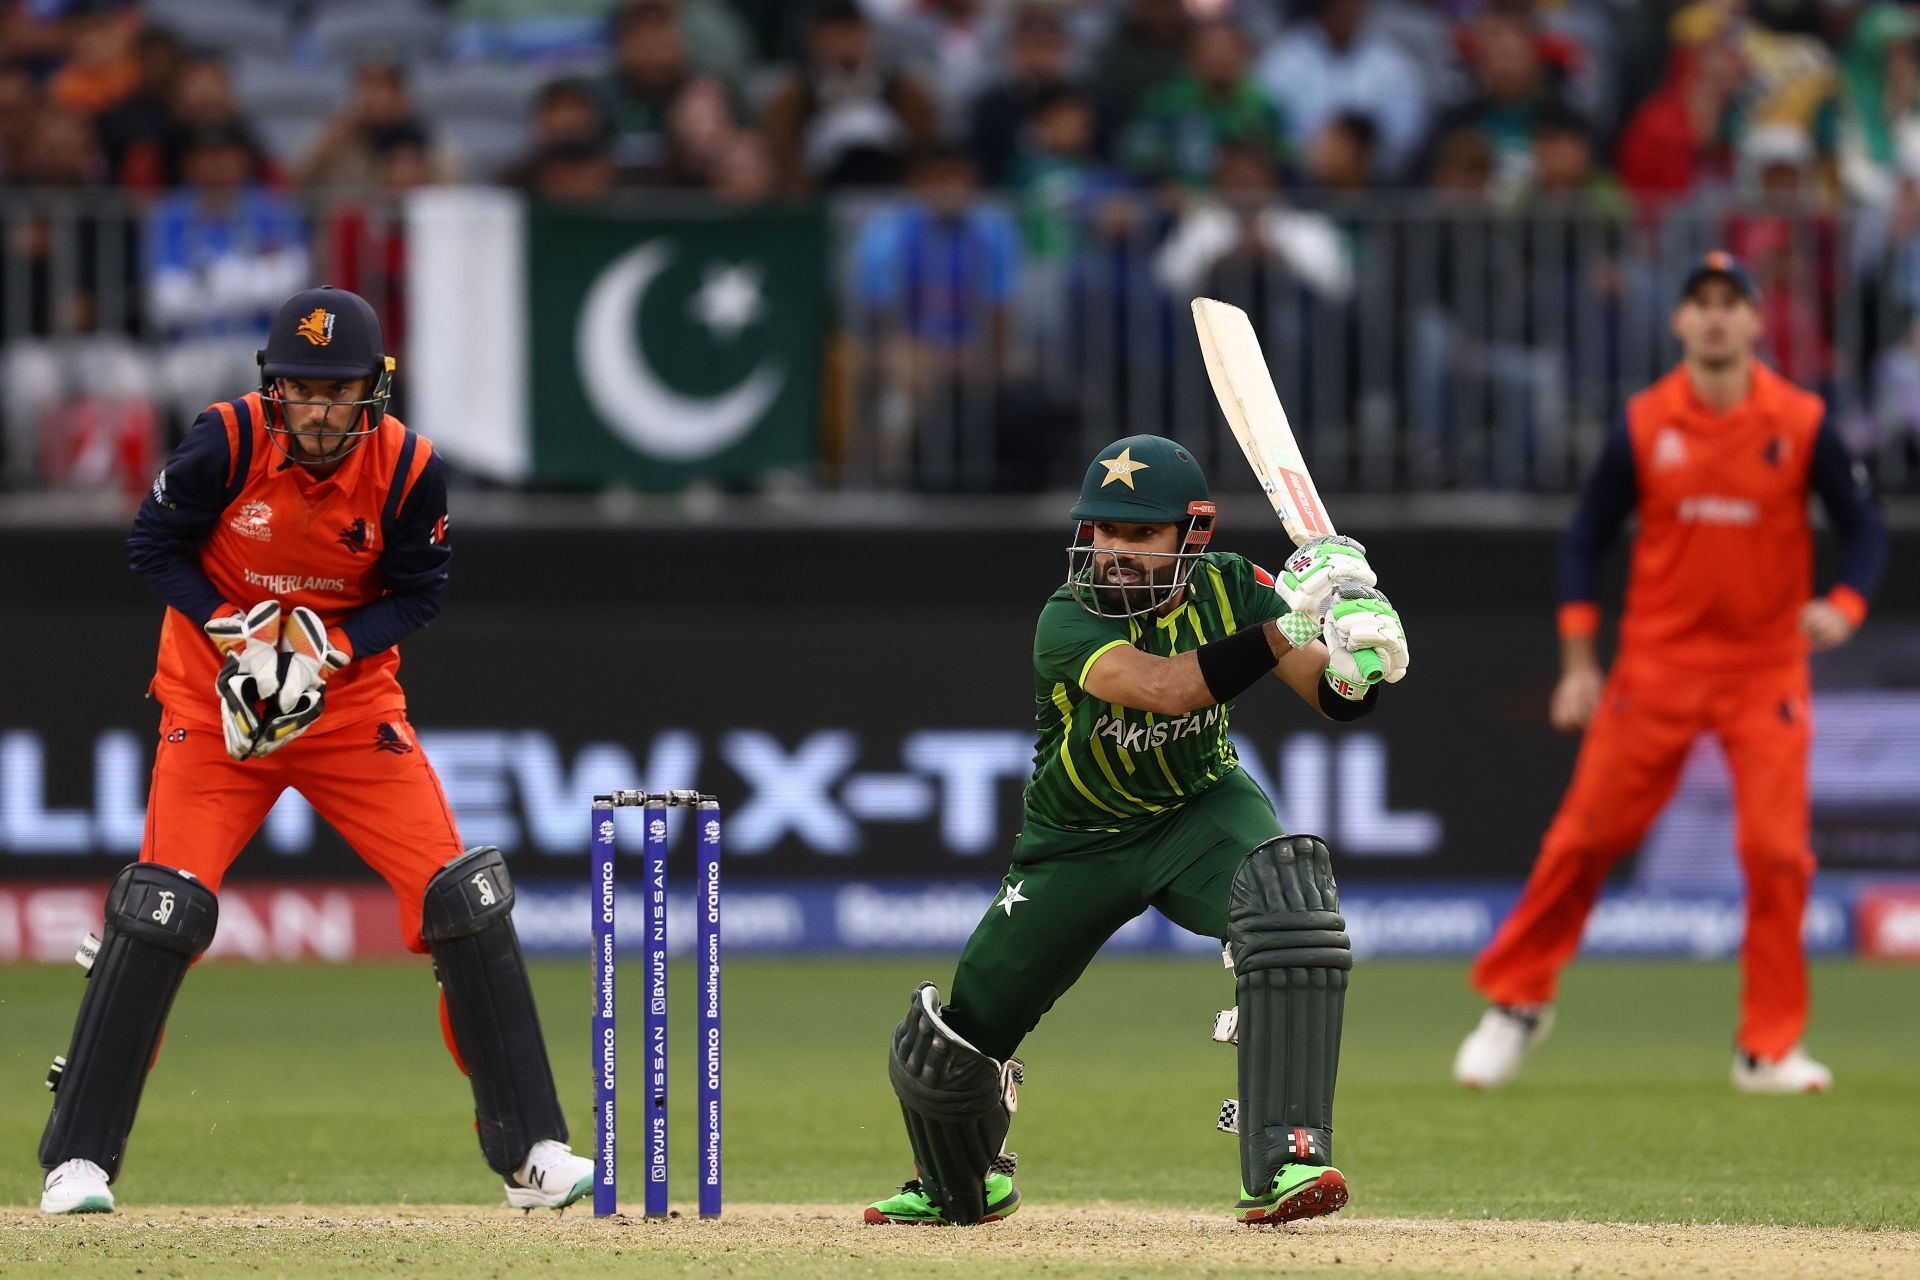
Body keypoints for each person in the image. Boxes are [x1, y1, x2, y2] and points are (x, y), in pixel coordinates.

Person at [36, 287, 591, 1215]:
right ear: (271, 386)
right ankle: (79, 1162)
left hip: (345, 710)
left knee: (463, 900)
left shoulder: (411, 470)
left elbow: (420, 592)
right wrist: (232, 628)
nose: (319, 410)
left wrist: (336, 646)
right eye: (301, 389)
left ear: (375, 388)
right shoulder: (227, 441)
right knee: (160, 910)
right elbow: (151, 545)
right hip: (216, 708)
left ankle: (534, 1153)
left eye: (338, 392)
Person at [866, 434, 1411, 1226]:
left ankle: (1289, 1160)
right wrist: (1290, 626)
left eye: (1139, 535)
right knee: (968, 1021)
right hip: (1077, 840)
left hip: (1199, 808)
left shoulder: (1238, 588)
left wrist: (1359, 653)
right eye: (1103, 531)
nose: (1114, 551)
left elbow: (1331, 698)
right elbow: (1164, 688)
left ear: (1192, 536)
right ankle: (953, 1178)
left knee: (1289, 908)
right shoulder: (1065, 618)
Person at [1453, 253, 1887, 1096]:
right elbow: (1584, 539)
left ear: (1757, 322)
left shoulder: (1799, 420)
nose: (1717, 317)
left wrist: (1846, 605)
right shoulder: (1646, 421)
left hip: (1766, 670)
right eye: (1702, 304)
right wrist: (1579, 664)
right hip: (1657, 666)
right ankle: (1516, 1003)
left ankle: (1766, 1048)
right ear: (1680, 322)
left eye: (1732, 304)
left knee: (1775, 854)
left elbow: (1865, 528)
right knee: (1583, 840)